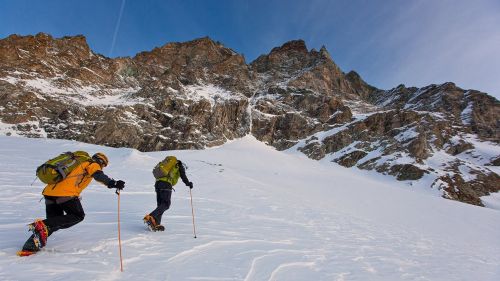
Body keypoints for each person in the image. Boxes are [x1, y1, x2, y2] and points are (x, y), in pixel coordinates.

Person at [19, 152, 125, 254]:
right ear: (101, 162)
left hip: (49, 193)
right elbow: (98, 175)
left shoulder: (76, 164)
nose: (102, 167)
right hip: (66, 194)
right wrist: (113, 183)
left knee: (53, 224)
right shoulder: (92, 164)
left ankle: (29, 247)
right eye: (104, 165)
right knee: (78, 216)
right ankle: (42, 224)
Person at [144, 156, 193, 231]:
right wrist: (188, 183)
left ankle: (156, 223)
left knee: (160, 206)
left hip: (158, 184)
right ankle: (151, 216)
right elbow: (183, 176)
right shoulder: (179, 165)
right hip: (166, 184)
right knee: (166, 204)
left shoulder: (169, 165)